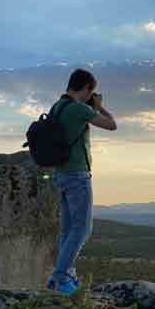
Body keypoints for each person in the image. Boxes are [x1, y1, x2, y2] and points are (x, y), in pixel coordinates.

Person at [45, 68, 117, 295]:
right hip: (77, 175)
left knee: (68, 230)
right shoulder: (79, 108)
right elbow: (111, 125)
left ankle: (65, 275)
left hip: (60, 175)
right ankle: (59, 278)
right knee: (83, 229)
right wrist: (99, 106)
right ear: (86, 88)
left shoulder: (57, 107)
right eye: (91, 91)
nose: (91, 95)